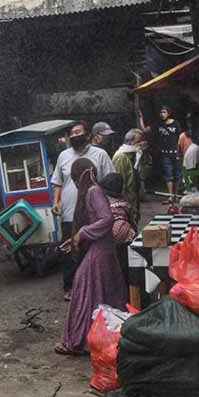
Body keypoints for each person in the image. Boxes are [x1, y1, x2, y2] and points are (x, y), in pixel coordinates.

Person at [55, 158, 127, 356]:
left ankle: (79, 340)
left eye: (76, 178)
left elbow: (106, 219)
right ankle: (99, 337)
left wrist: (83, 233)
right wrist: (75, 240)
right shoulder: (92, 191)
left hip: (101, 251)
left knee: (84, 290)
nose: (76, 183)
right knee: (100, 294)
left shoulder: (93, 191)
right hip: (101, 250)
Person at [51, 121, 114, 301]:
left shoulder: (100, 154)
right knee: (70, 249)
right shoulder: (63, 156)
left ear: (87, 135)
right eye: (72, 133)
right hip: (69, 211)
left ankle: (94, 285)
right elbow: (57, 181)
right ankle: (71, 287)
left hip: (94, 212)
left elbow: (109, 179)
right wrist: (56, 201)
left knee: (92, 248)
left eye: (79, 132)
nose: (75, 135)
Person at [98, 173, 136, 283]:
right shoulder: (124, 203)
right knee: (124, 269)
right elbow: (131, 219)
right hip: (125, 242)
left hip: (106, 242)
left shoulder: (100, 201)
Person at [142, 105, 183, 203]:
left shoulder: (176, 124)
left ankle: (176, 195)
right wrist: (140, 118)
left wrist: (181, 151)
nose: (162, 114)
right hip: (165, 153)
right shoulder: (158, 124)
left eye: (164, 112)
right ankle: (170, 196)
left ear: (168, 113)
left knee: (177, 175)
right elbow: (145, 130)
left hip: (175, 153)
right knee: (168, 174)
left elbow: (181, 137)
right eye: (161, 112)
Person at [112, 128, 146, 221]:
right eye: (138, 141)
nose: (141, 144)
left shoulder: (133, 155)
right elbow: (120, 183)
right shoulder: (121, 157)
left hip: (134, 198)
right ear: (130, 142)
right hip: (127, 202)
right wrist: (125, 205)